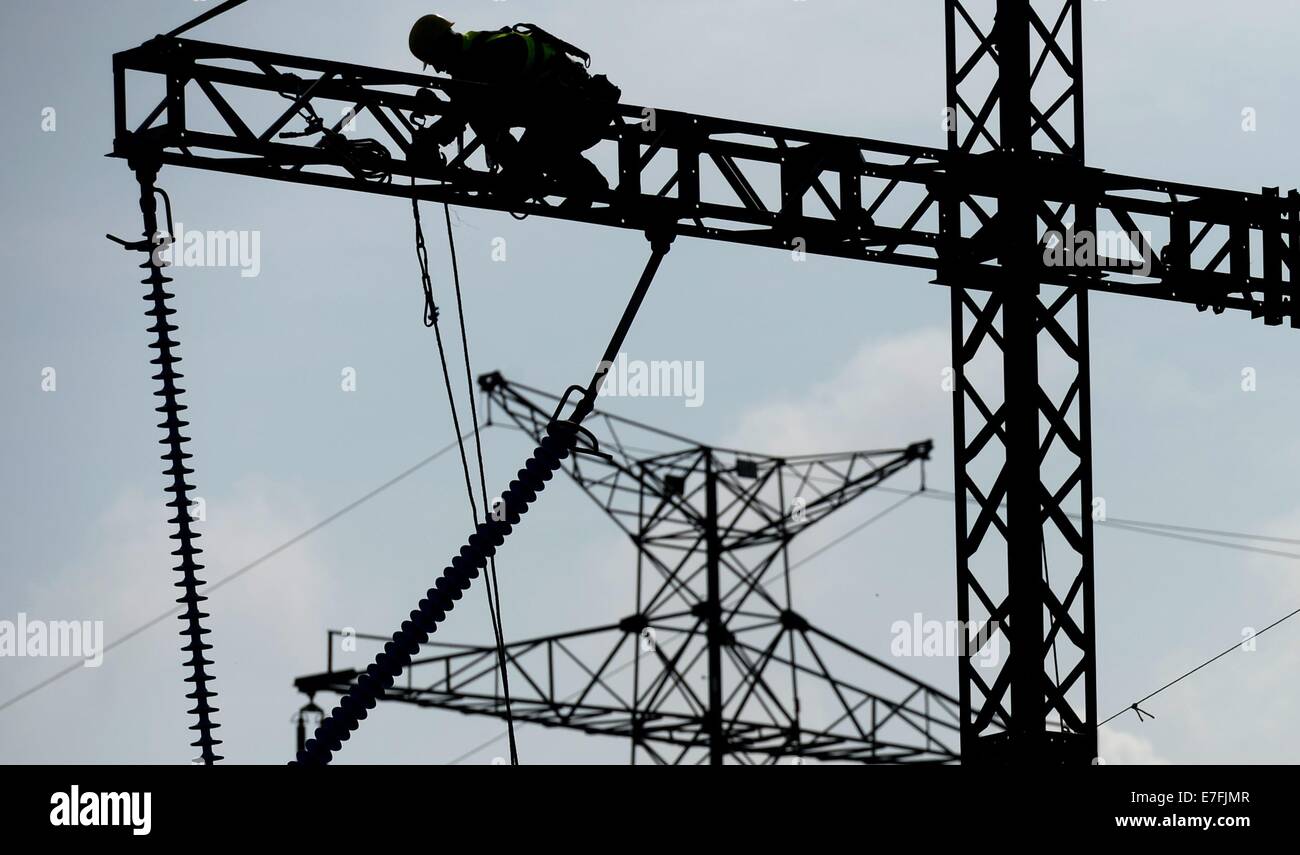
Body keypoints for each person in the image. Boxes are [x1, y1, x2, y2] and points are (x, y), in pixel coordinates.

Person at [408, 14, 619, 208]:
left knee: (523, 174)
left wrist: (430, 138)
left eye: (436, 60)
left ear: (444, 45)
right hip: (561, 114)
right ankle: (577, 183)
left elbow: (471, 107)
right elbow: (469, 105)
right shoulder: (477, 56)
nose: (438, 69)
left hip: (580, 112)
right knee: (517, 181)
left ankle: (586, 184)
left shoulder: (492, 53)